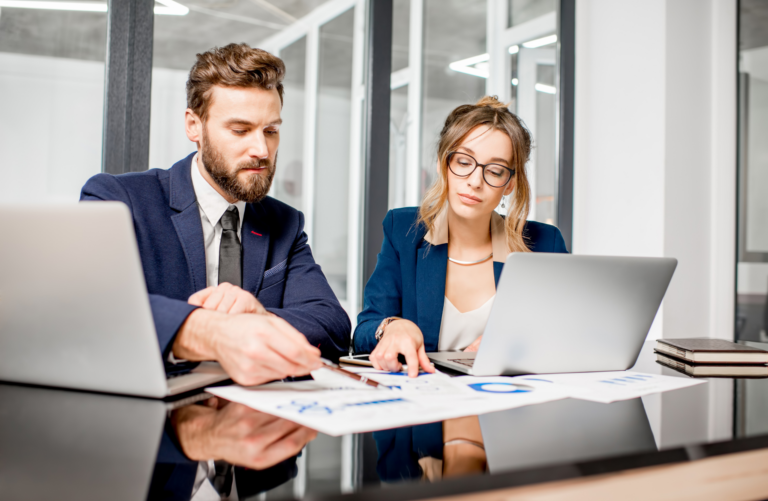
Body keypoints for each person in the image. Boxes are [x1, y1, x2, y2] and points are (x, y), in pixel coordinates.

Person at [81, 43, 351, 385]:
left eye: (271, 131)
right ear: (194, 126)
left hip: (259, 419)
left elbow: (334, 327)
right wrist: (209, 331)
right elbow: (91, 304)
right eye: (240, 130)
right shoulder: (119, 199)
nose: (261, 150)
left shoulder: (284, 222)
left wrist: (261, 315)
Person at [354, 96, 568, 377]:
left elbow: (568, 333)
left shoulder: (545, 243)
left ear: (509, 184)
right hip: (428, 407)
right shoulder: (403, 229)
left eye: (494, 171)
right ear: (445, 164)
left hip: (507, 405)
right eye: (464, 162)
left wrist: (520, 344)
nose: (475, 181)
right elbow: (364, 331)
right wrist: (391, 327)